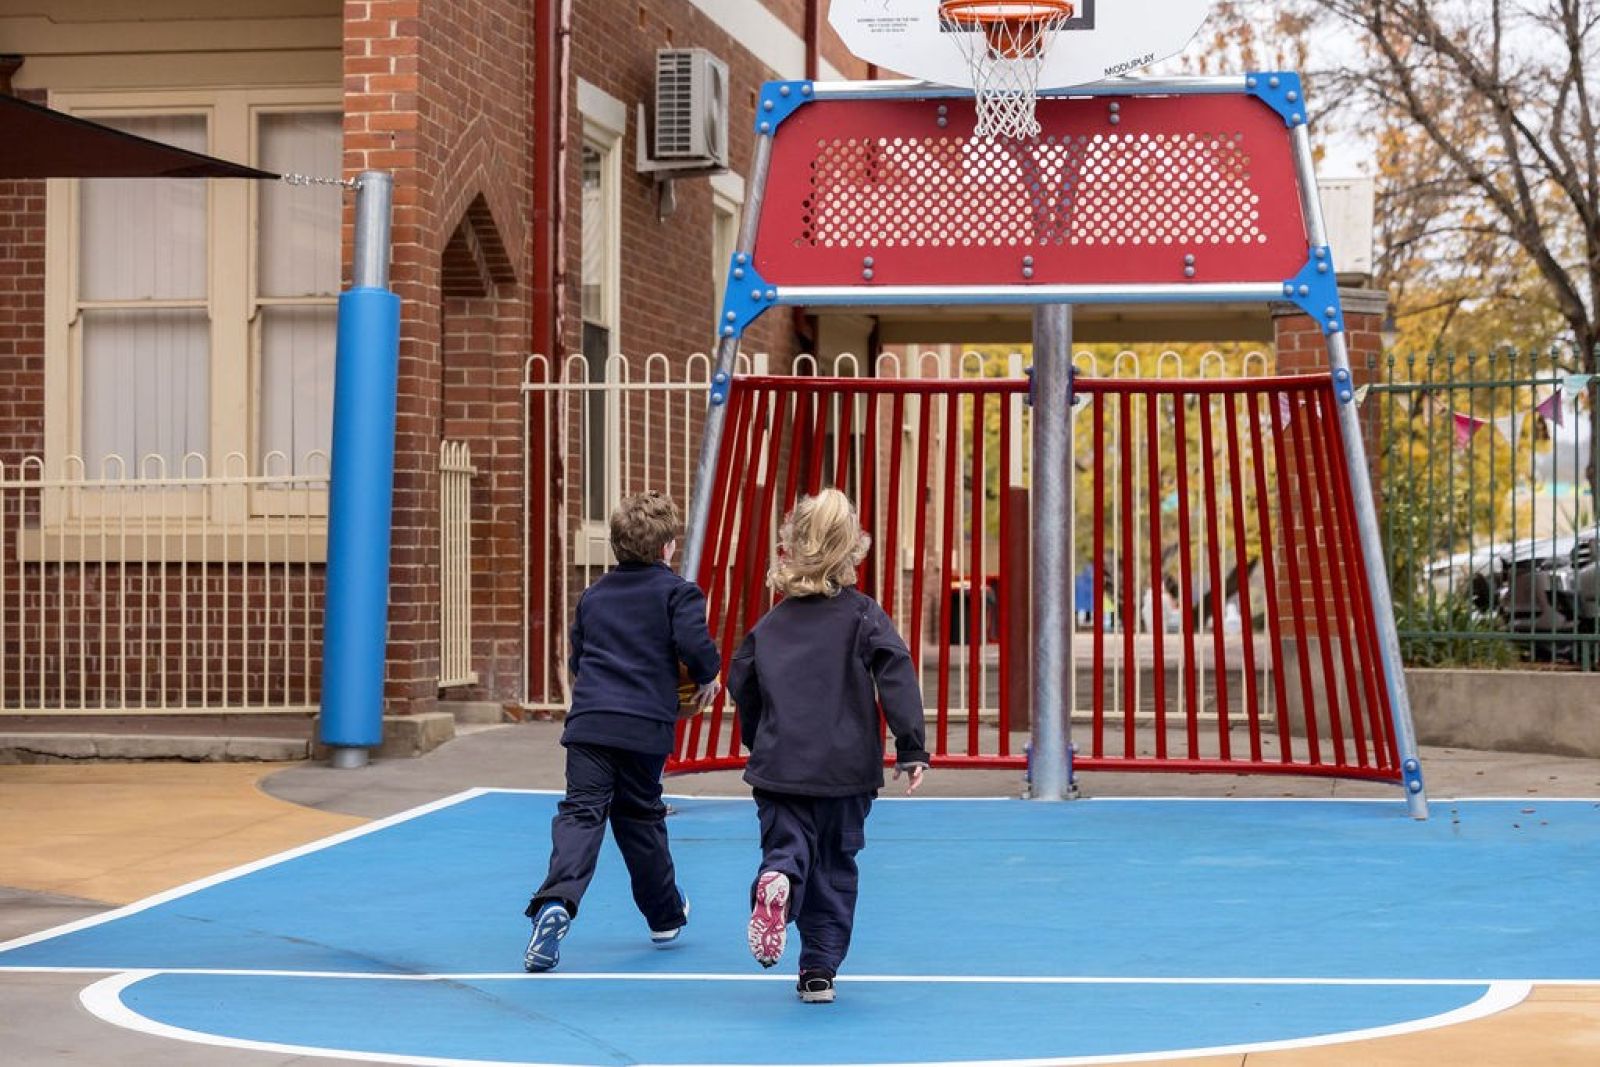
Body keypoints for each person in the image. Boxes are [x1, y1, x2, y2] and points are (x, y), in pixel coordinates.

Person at [728, 488, 930, 1004]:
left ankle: (777, 879)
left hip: (780, 765)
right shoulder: (863, 616)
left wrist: (759, 737)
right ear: (851, 551)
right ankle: (818, 970)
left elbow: (742, 682)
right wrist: (911, 746)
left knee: (786, 846)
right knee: (836, 866)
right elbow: (897, 672)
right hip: (846, 770)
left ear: (791, 546)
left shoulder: (771, 625)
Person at [522, 491, 721, 973]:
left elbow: (578, 660)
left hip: (590, 722)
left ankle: (557, 901)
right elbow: (698, 651)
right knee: (639, 817)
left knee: (581, 813)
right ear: (669, 547)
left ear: (615, 544)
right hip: (644, 725)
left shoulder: (593, 596)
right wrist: (708, 678)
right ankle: (665, 915)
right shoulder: (679, 593)